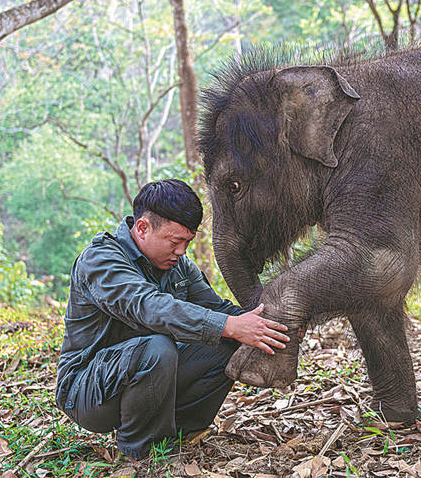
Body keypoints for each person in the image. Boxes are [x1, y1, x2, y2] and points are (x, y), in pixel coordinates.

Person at [55, 179, 289, 459]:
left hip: (149, 377)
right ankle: (139, 452)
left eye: (188, 242)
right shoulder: (101, 259)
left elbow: (216, 308)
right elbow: (147, 306)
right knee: (160, 348)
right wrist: (229, 326)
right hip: (87, 391)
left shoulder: (178, 266)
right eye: (175, 242)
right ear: (143, 228)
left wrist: (270, 324)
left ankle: (179, 434)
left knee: (227, 341)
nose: (182, 251)